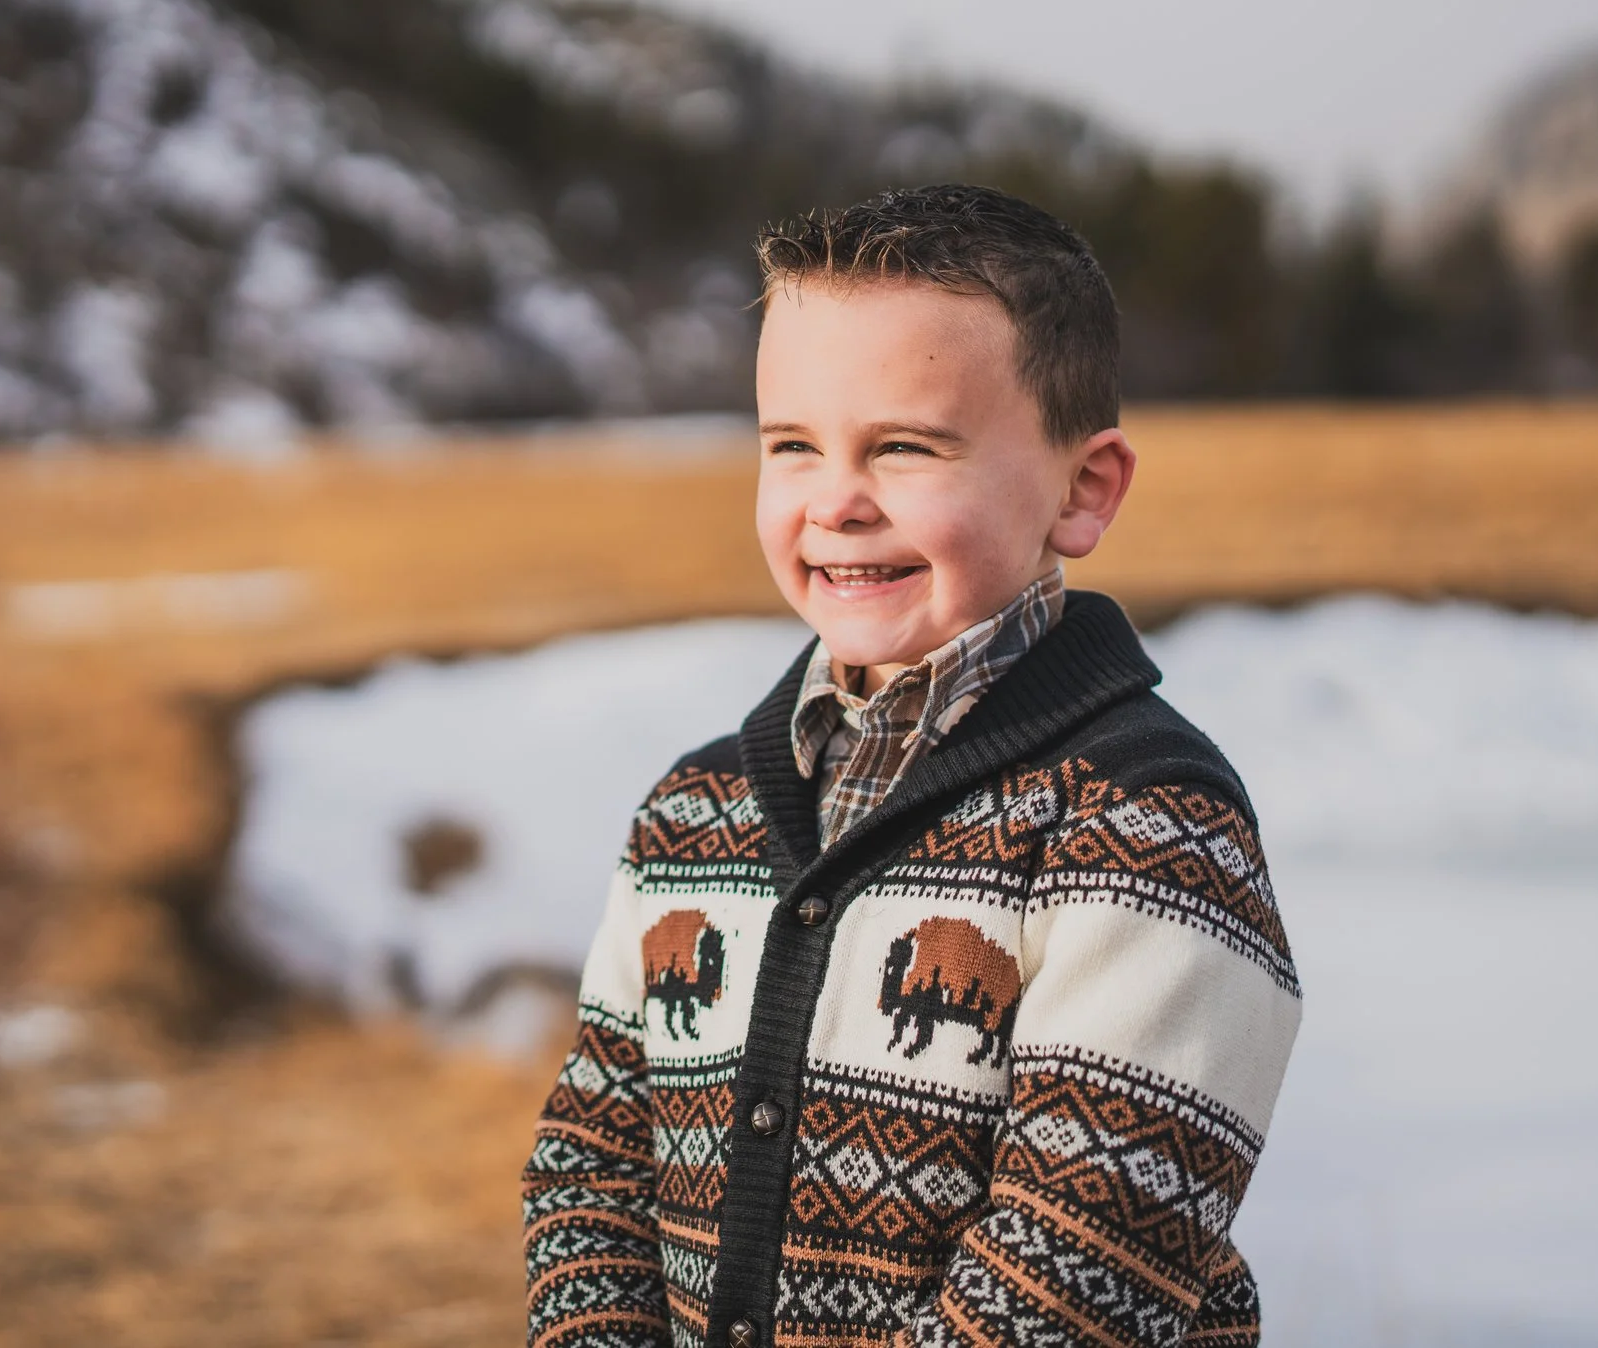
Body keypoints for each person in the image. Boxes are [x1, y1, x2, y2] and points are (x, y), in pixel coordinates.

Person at [521, 184, 1302, 1348]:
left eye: (903, 446)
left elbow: (1083, 1265)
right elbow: (591, 1164)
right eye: (791, 445)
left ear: (1082, 491)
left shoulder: (1145, 825)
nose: (835, 501)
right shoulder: (698, 810)